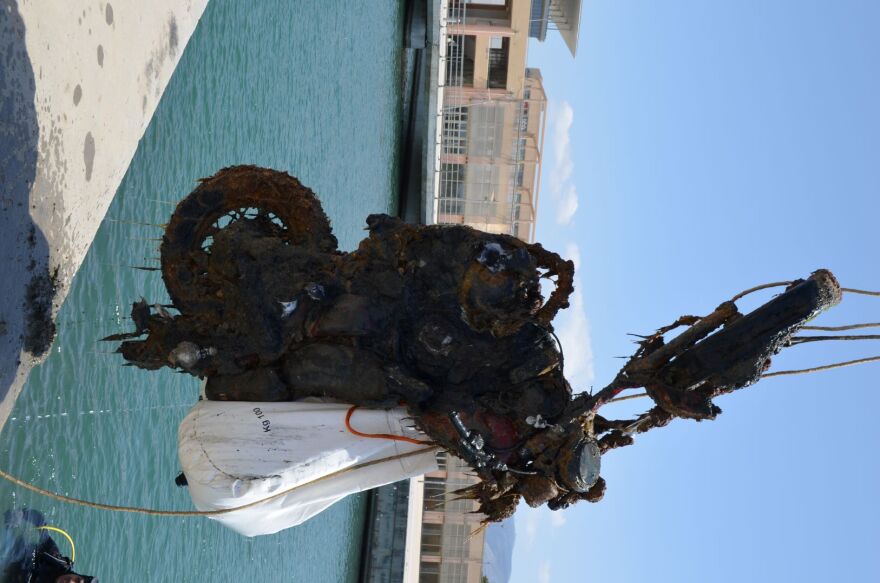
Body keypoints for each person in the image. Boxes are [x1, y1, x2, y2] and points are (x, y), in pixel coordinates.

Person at [1, 509, 97, 582]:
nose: (71, 581)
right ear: (79, 575)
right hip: (12, 549)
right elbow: (41, 523)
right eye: (77, 580)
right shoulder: (55, 559)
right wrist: (21, 514)